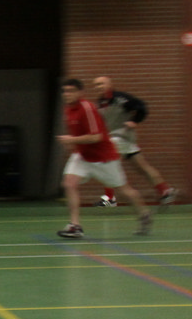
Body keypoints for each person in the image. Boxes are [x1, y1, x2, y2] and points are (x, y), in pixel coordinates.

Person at [57, 78, 151, 239]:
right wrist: (72, 145)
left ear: (81, 92)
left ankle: (144, 214)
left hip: (103, 158)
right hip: (82, 156)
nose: (67, 94)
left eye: (71, 91)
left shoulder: (87, 108)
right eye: (65, 91)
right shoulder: (68, 109)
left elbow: (96, 137)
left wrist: (71, 140)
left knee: (124, 190)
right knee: (69, 184)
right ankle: (75, 226)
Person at [91, 76, 176, 207]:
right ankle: (165, 191)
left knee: (106, 163)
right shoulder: (101, 103)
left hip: (121, 137)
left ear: (109, 84)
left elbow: (141, 106)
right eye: (96, 85)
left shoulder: (121, 98)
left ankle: (109, 198)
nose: (99, 87)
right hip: (120, 140)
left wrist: (134, 121)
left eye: (101, 84)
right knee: (142, 167)